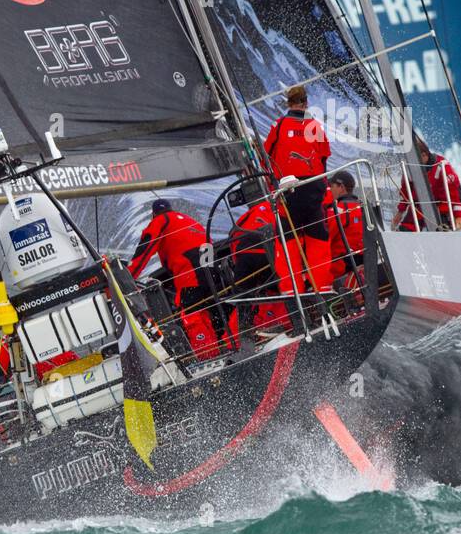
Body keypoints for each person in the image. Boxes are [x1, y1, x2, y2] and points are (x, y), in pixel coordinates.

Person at [128, 199, 223, 359]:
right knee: (217, 310)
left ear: (153, 214)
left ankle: (209, 357)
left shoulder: (160, 221)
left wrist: (128, 277)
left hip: (190, 276)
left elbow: (144, 251)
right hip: (213, 272)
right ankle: (229, 344)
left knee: (192, 315)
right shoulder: (188, 219)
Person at [262, 85, 332, 293]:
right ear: (306, 102)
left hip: (288, 189)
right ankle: (322, 286)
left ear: (288, 103)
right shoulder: (314, 126)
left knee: (288, 238)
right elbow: (324, 155)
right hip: (313, 188)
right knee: (317, 234)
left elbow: (266, 155)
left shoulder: (279, 125)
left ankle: (293, 290)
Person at [227, 197, 289, 341]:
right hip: (270, 255)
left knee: (244, 298)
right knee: (279, 288)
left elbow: (233, 237)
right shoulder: (278, 208)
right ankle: (289, 322)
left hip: (244, 257)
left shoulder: (249, 214)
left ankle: (244, 335)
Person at [395, 137, 461, 231]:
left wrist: (459, 216)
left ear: (424, 155)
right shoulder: (410, 168)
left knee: (442, 230)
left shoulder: (442, 166)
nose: (410, 162)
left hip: (443, 207)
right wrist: (400, 212)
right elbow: (405, 191)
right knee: (405, 229)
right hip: (421, 206)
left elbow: (454, 194)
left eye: (413, 159)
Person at [325, 170, 365, 286]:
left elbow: (326, 238)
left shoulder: (338, 210)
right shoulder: (362, 207)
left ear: (341, 187)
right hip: (362, 259)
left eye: (332, 186)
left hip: (340, 265)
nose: (330, 190)